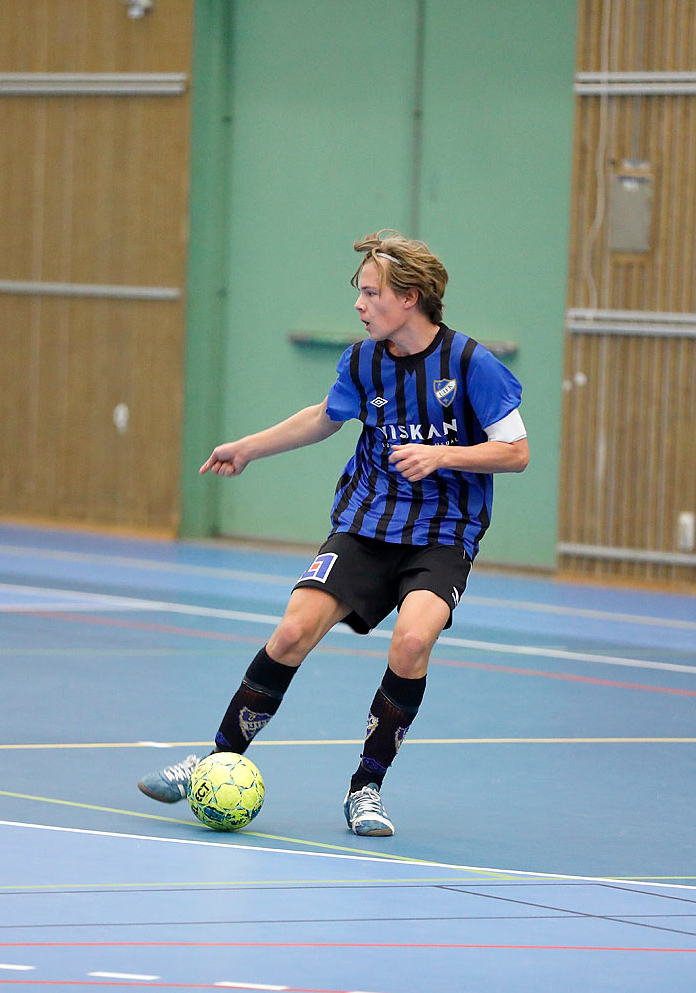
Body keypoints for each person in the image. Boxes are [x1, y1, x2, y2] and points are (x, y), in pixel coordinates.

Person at [138, 230, 528, 837]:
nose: (359, 304)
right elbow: (324, 418)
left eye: (371, 293)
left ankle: (366, 790)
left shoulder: (472, 365)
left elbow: (517, 452)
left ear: (411, 298)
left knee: (412, 643)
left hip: (444, 534)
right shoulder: (363, 360)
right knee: (293, 630)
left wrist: (443, 457)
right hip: (368, 522)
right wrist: (248, 448)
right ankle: (215, 760)